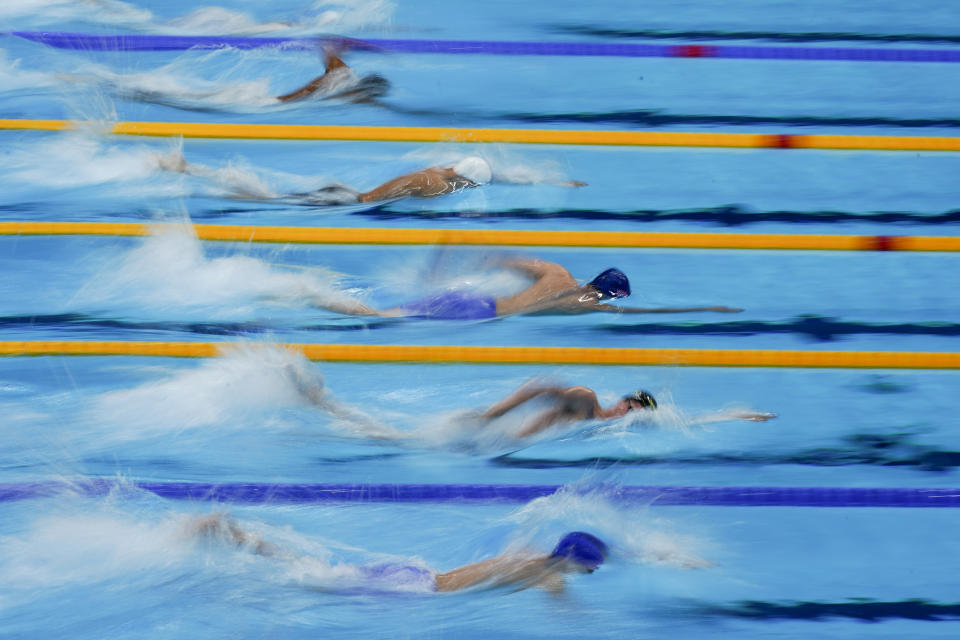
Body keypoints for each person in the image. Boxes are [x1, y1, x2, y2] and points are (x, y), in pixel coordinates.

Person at [189, 513, 609, 594]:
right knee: (309, 577)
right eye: (587, 569)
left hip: (416, 575)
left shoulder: (534, 558)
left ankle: (232, 534)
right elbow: (562, 602)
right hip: (413, 586)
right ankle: (229, 533)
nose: (587, 575)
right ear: (571, 560)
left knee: (315, 572)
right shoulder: (539, 571)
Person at [306, 259, 743, 319]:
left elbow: (503, 259)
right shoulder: (588, 305)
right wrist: (705, 310)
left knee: (385, 314)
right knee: (377, 319)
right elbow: (643, 315)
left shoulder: (556, 273)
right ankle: (309, 297)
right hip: (479, 312)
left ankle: (313, 295)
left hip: (475, 299)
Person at [155, 149, 507, 204]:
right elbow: (389, 192)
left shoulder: (437, 173)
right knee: (266, 199)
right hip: (345, 201)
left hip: (345, 194)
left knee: (271, 196)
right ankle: (189, 171)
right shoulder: (436, 185)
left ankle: (193, 171)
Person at [476, 382, 775, 438]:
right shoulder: (586, 400)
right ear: (621, 401)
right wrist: (495, 414)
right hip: (500, 437)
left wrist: (736, 415)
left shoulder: (611, 428)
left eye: (636, 413)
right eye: (629, 407)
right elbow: (538, 388)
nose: (629, 414)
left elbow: (692, 421)